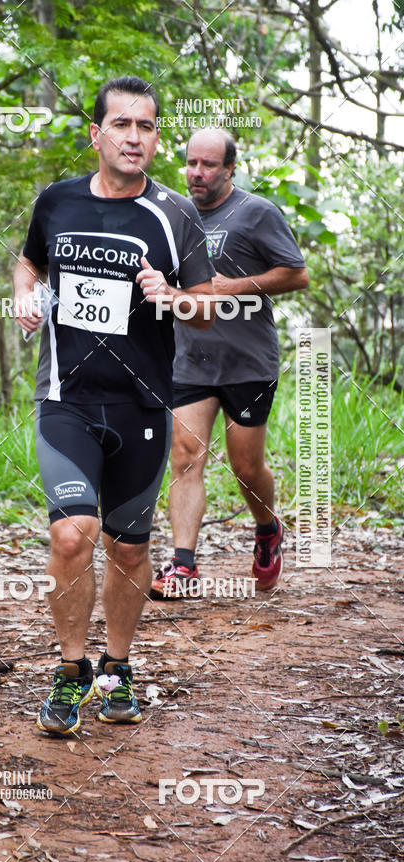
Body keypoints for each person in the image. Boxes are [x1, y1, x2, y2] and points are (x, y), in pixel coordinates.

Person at [13, 77, 216, 735]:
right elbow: (29, 265)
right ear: (96, 134)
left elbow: (210, 309)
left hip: (143, 406)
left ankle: (116, 666)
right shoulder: (57, 202)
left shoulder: (175, 215)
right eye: (122, 125)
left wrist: (173, 295)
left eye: (147, 126)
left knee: (129, 550)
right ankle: (71, 672)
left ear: (157, 137)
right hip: (66, 398)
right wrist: (26, 296)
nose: (135, 137)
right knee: (72, 532)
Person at [151, 127, 309, 599]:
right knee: (185, 457)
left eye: (208, 165)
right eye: (191, 164)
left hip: (248, 362)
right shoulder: (172, 214)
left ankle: (267, 528)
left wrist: (231, 286)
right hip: (190, 359)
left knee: (245, 467)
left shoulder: (255, 212)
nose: (197, 174)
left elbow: (297, 275)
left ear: (230, 168)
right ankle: (183, 565)